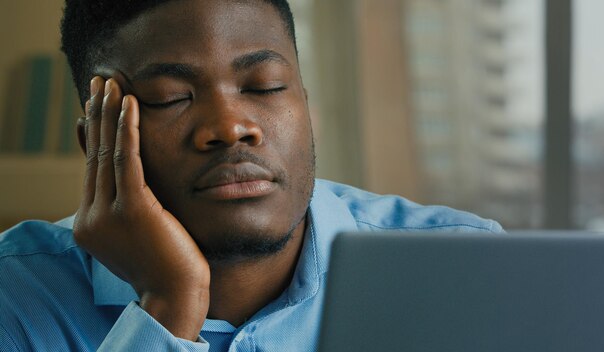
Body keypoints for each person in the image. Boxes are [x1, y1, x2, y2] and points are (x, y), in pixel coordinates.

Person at [0, 0, 503, 351]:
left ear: (304, 102)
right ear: (96, 144)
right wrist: (167, 305)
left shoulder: (470, 268)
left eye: (265, 87)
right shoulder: (16, 297)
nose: (230, 127)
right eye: (172, 96)